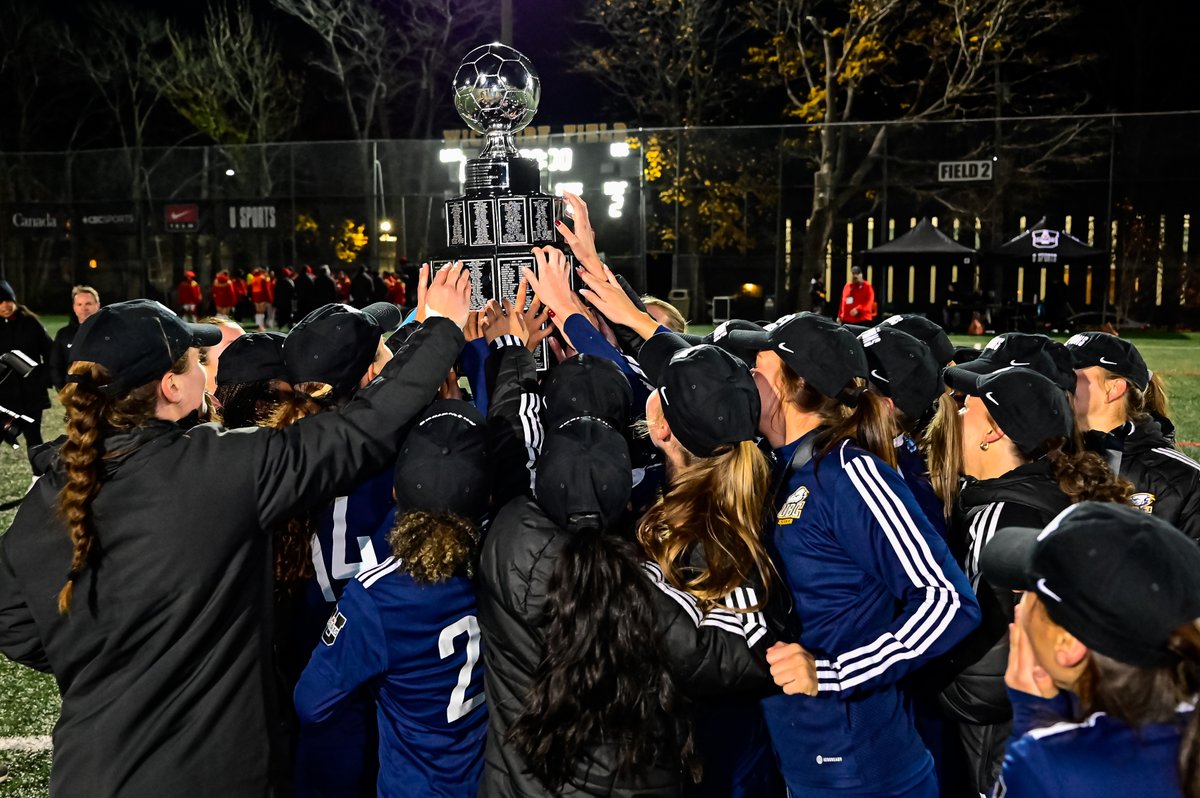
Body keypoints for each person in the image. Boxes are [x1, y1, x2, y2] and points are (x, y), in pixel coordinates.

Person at [0, 269, 469, 797]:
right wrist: (442, 328)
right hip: (213, 772)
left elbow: (14, 626)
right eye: (197, 361)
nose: (208, 372)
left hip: (88, 774)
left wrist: (109, 653)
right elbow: (359, 430)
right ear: (171, 386)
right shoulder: (216, 470)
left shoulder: (46, 499)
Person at [729, 311, 980, 798]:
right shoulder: (775, 466)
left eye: (757, 367)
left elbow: (949, 602)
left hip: (863, 769)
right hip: (803, 758)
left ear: (792, 386)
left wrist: (834, 673)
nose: (746, 377)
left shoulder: (849, 472)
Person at [476, 415, 774, 796]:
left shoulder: (504, 537)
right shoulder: (637, 594)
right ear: (628, 503)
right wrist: (734, 534)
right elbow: (742, 653)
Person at [934, 365, 1131, 795]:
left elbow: (987, 674)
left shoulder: (1002, 518)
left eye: (966, 409)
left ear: (994, 433)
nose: (956, 415)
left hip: (1002, 733)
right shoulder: (1054, 493)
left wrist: (934, 690)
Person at [295, 399, 490, 798]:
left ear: (397, 491)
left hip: (415, 786)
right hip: (490, 777)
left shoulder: (378, 597)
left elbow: (311, 703)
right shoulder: (504, 558)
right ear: (487, 497)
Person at [980, 501, 1200, 798]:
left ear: (1067, 642)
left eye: (1031, 589)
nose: (1020, 602)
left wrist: (1034, 724)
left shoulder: (1047, 768)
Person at [1065, 331, 1200, 541]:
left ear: (1113, 388)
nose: (1059, 380)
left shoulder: (1183, 479)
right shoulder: (1044, 454)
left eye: (1072, 372)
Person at [0, 279, 52, 450]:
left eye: (8, 300)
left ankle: (39, 468)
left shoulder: (31, 323)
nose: (5, 306)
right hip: (3, 396)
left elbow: (50, 352)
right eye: (0, 302)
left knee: (34, 439)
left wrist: (42, 378)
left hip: (31, 395)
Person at [49, 286, 101, 392]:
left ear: (98, 305)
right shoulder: (64, 334)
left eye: (88, 304)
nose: (84, 308)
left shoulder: (110, 332)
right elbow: (55, 366)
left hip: (105, 396)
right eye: (79, 304)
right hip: (74, 396)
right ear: (74, 307)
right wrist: (64, 390)